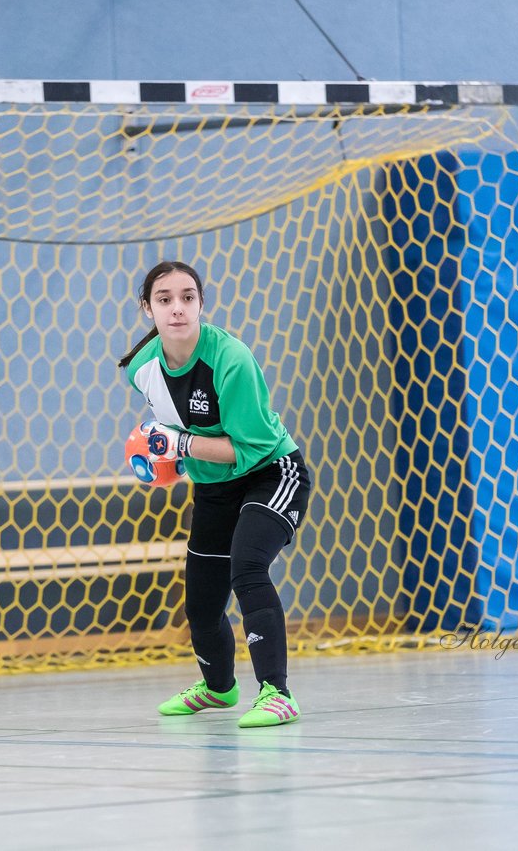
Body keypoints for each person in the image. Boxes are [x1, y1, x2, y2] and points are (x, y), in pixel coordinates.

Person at [118, 260, 311, 728]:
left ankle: (277, 693)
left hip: (271, 473)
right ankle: (219, 688)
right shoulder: (141, 369)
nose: (177, 308)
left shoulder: (232, 359)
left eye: (188, 297)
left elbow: (249, 449)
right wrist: (172, 460)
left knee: (247, 565)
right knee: (202, 605)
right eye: (164, 299)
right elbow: (179, 432)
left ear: (202, 304)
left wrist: (179, 445)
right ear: (148, 309)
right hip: (214, 487)